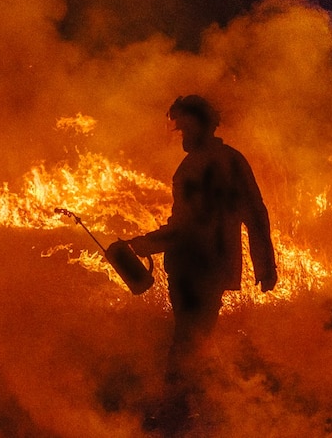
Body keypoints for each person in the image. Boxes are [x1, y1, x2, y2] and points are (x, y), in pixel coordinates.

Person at [130, 95, 277, 432]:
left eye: (183, 126)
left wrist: (147, 244)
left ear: (200, 123)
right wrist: (264, 265)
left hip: (196, 267)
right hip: (210, 266)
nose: (179, 132)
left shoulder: (202, 165)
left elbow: (190, 226)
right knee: (196, 339)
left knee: (187, 341)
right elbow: (255, 213)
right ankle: (193, 409)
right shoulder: (230, 159)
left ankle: (177, 416)